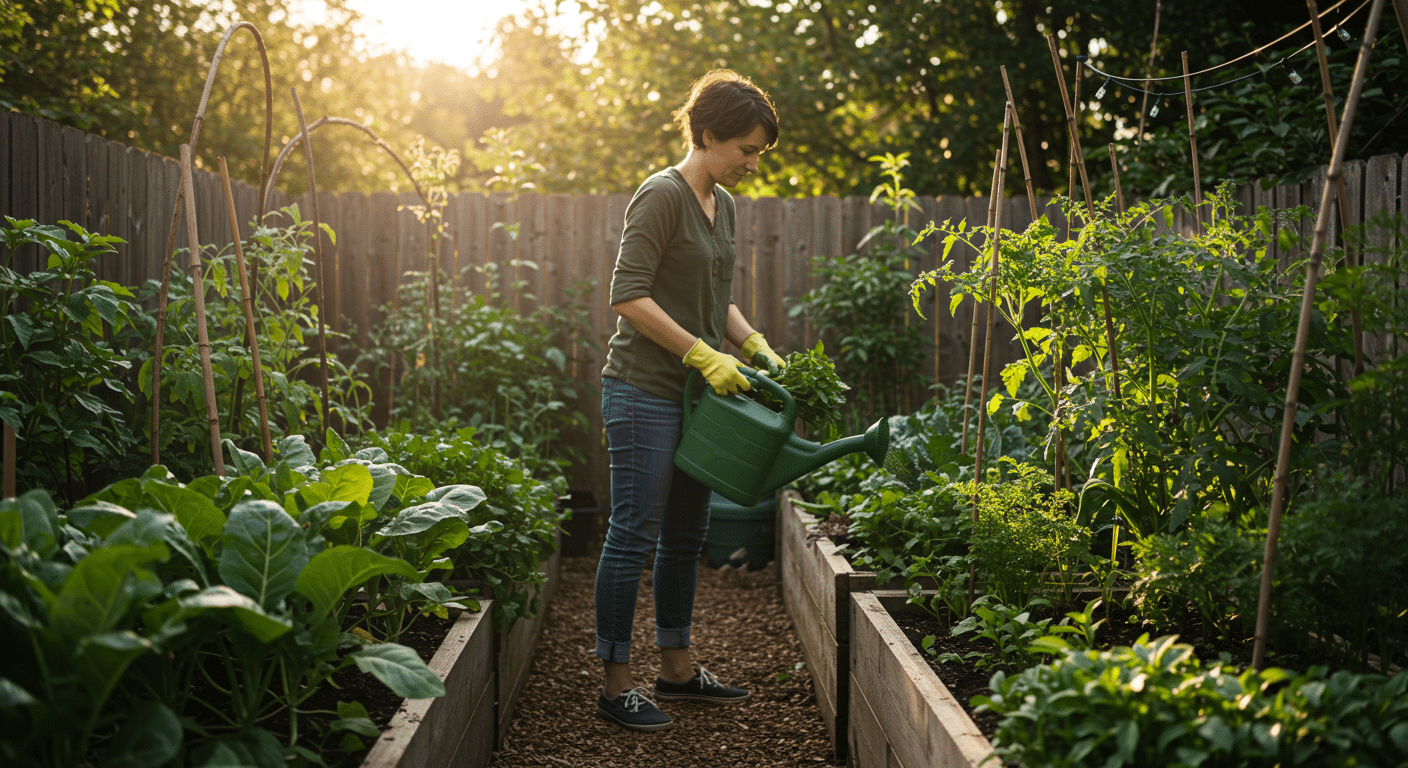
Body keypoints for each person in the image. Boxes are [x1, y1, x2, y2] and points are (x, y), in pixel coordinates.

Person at [593, 69, 787, 732]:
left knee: (685, 535)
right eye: (747, 150)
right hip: (643, 390)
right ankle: (617, 682)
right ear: (707, 136)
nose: (753, 163)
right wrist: (700, 353)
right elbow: (627, 295)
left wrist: (752, 343)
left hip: (700, 401)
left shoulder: (723, 205)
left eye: (759, 151)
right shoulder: (660, 196)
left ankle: (676, 669)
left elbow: (714, 298)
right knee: (633, 535)